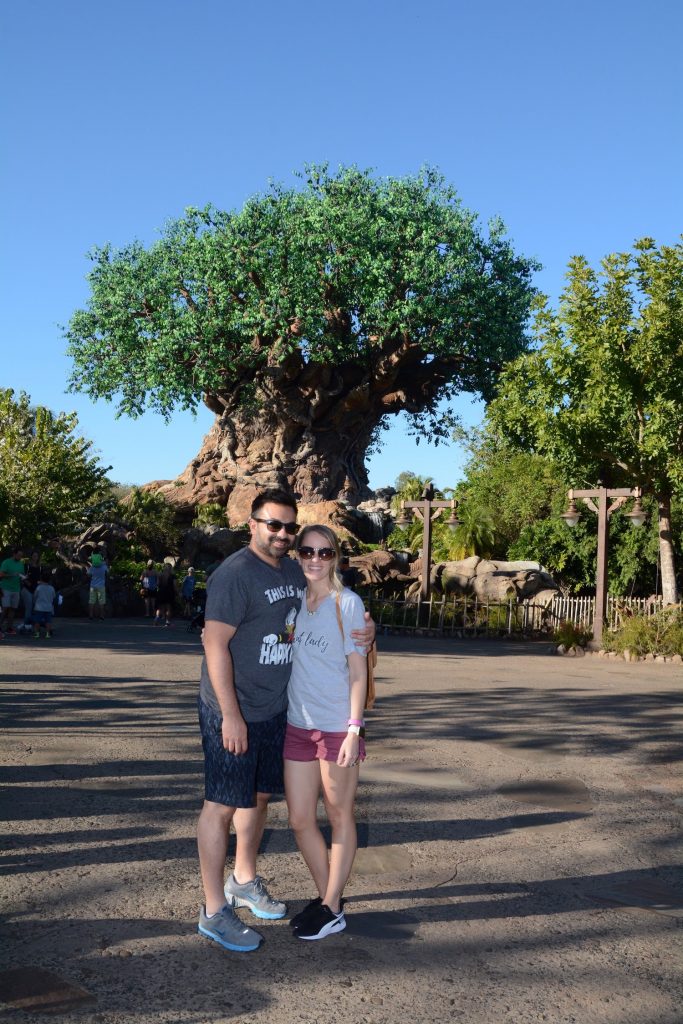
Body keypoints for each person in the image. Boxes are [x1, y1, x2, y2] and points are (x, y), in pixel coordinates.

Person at [196, 489, 375, 954]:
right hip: (235, 710)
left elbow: (349, 629)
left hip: (281, 711)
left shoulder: (298, 571)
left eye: (288, 528)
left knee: (257, 798)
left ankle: (246, 878)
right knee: (221, 805)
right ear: (252, 523)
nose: (281, 535)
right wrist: (230, 714)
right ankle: (214, 910)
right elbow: (213, 643)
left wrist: (369, 633)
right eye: (272, 525)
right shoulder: (235, 573)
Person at [284, 525, 367, 940]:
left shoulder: (347, 603)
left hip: (336, 727)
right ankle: (326, 899)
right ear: (297, 555)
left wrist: (354, 729)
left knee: (338, 815)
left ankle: (332, 905)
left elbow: (358, 669)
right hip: (297, 725)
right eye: (307, 551)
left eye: (325, 552)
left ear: (336, 556)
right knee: (300, 819)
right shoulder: (293, 601)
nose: (315, 559)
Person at [0, 546, 25, 636]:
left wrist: (24, 577)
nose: (19, 557)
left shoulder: (21, 564)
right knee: (5, 608)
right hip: (6, 588)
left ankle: (9, 628)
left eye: (21, 556)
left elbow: (21, 574)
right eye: (18, 555)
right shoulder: (6, 562)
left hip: (16, 589)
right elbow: (1, 574)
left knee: (13, 609)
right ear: (14, 554)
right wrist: (11, 575)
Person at [32, 570, 57, 638]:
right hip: (48, 607)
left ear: (41, 579)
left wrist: (34, 603)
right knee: (48, 621)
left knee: (37, 621)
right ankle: (47, 634)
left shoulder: (39, 587)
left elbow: (35, 596)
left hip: (39, 607)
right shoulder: (51, 588)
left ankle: (37, 633)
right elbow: (54, 597)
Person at [87, 552, 108, 621]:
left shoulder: (92, 567)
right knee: (101, 601)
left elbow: (88, 575)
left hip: (92, 586)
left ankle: (91, 615)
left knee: (91, 601)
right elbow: (108, 573)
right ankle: (101, 616)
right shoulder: (104, 566)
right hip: (101, 586)